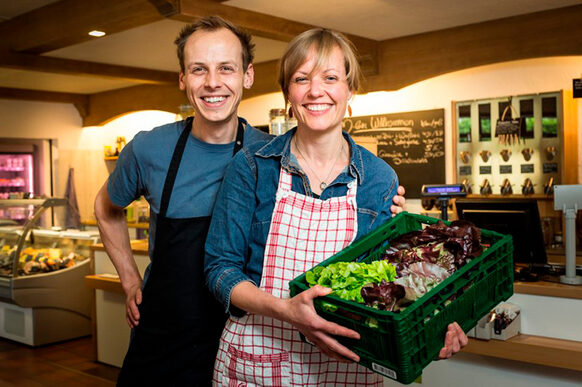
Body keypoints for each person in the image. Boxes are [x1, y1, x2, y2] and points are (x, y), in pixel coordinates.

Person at [94, 16, 407, 386]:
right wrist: (130, 281)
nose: (213, 82)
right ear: (182, 79)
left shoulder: (271, 156)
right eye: (198, 70)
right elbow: (105, 208)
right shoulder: (156, 150)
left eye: (226, 68)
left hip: (261, 339)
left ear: (247, 76)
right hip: (174, 337)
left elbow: (383, 273)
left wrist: (393, 215)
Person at [204, 28, 467, 386]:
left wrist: (435, 325)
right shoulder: (253, 166)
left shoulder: (379, 178)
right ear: (288, 93)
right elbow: (220, 270)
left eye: (330, 78)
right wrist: (286, 310)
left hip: (346, 367)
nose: (316, 91)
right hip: (258, 359)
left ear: (350, 90)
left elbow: (387, 284)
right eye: (301, 79)